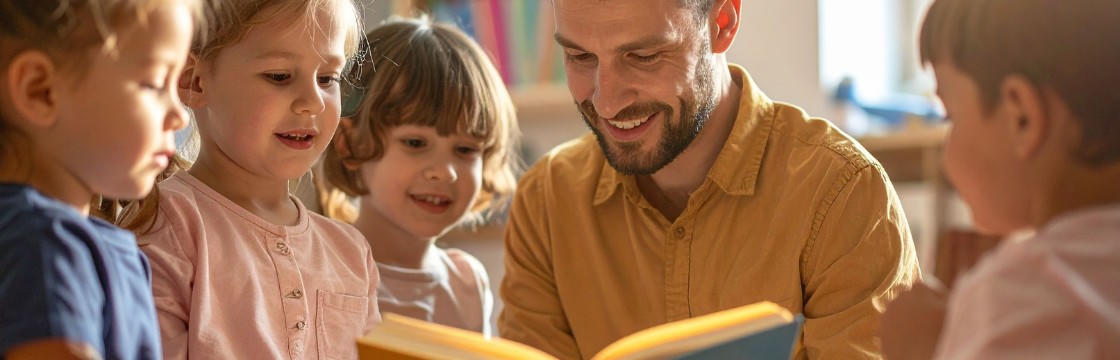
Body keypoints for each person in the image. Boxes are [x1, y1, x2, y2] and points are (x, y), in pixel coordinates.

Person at [499, 0, 920, 358]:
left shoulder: (842, 194)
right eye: (579, 57)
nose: (606, 100)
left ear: (723, 23)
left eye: (643, 57)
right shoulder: (546, 202)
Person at [116, 0, 379, 358]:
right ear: (193, 81)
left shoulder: (351, 251)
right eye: (279, 76)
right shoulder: (168, 223)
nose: (313, 102)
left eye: (327, 79)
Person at [880, 0, 1120, 358]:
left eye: (951, 117)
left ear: (1021, 116)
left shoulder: (1027, 292)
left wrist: (924, 351)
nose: (948, 154)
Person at [0, 0, 198, 358]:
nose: (179, 115)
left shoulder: (88, 244)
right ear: (40, 91)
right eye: (155, 84)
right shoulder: (41, 242)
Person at [318, 17, 519, 336]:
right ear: (350, 144)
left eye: (466, 150)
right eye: (415, 143)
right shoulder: (319, 272)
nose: (445, 172)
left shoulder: (467, 282)